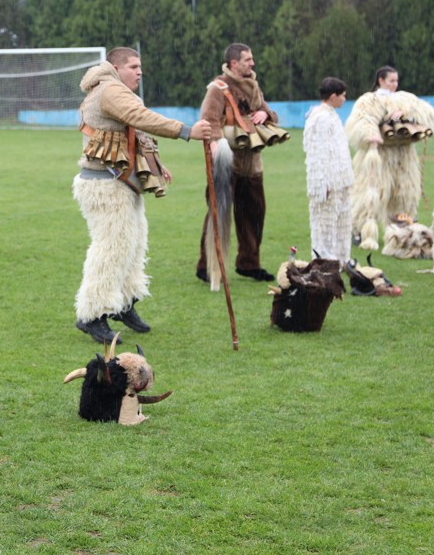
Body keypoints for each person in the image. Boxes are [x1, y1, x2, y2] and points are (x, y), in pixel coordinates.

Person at [72, 47, 212, 342]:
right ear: (116, 68)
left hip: (121, 183)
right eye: (133, 66)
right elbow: (140, 116)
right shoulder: (110, 90)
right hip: (105, 186)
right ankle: (92, 314)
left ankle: (124, 304)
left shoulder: (116, 91)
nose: (140, 72)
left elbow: (133, 131)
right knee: (112, 248)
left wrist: (156, 165)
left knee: (132, 245)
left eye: (140, 67)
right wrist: (187, 131)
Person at [196, 43, 280, 283]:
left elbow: (271, 115)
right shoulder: (218, 88)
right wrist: (215, 146)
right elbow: (208, 119)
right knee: (218, 214)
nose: (252, 63)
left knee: (254, 215)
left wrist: (266, 114)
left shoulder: (253, 85)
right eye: (247, 60)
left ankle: (249, 263)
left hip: (252, 163)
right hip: (226, 163)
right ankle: (207, 266)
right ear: (234, 63)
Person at [345, 66, 434, 252]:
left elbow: (427, 114)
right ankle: (359, 229)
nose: (395, 84)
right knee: (370, 194)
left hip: (403, 157)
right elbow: (361, 121)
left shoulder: (406, 99)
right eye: (391, 81)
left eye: (396, 80)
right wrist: (371, 134)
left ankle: (401, 230)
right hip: (378, 156)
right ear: (381, 80)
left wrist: (406, 114)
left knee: (404, 194)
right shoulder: (369, 100)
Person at [302, 77, 354, 264]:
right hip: (327, 183)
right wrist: (323, 183)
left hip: (340, 180)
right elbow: (319, 153)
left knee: (341, 223)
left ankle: (341, 260)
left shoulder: (332, 115)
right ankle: (324, 261)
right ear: (333, 96)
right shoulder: (320, 118)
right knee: (324, 223)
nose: (345, 99)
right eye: (343, 95)